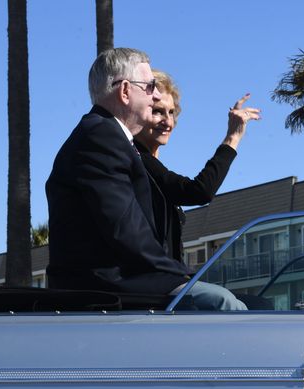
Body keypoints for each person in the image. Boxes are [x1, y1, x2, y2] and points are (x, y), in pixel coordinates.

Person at [45, 48, 253, 310]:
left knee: (245, 303)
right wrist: (184, 276)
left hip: (125, 278)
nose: (155, 96)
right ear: (124, 91)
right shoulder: (100, 136)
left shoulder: (110, 137)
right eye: (150, 87)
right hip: (103, 285)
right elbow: (126, 229)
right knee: (222, 304)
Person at [133, 70, 258, 265]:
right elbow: (200, 191)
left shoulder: (149, 162)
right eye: (157, 111)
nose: (168, 122)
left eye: (172, 112)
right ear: (137, 111)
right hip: (151, 285)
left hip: (171, 278)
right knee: (223, 298)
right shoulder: (136, 158)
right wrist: (232, 137)